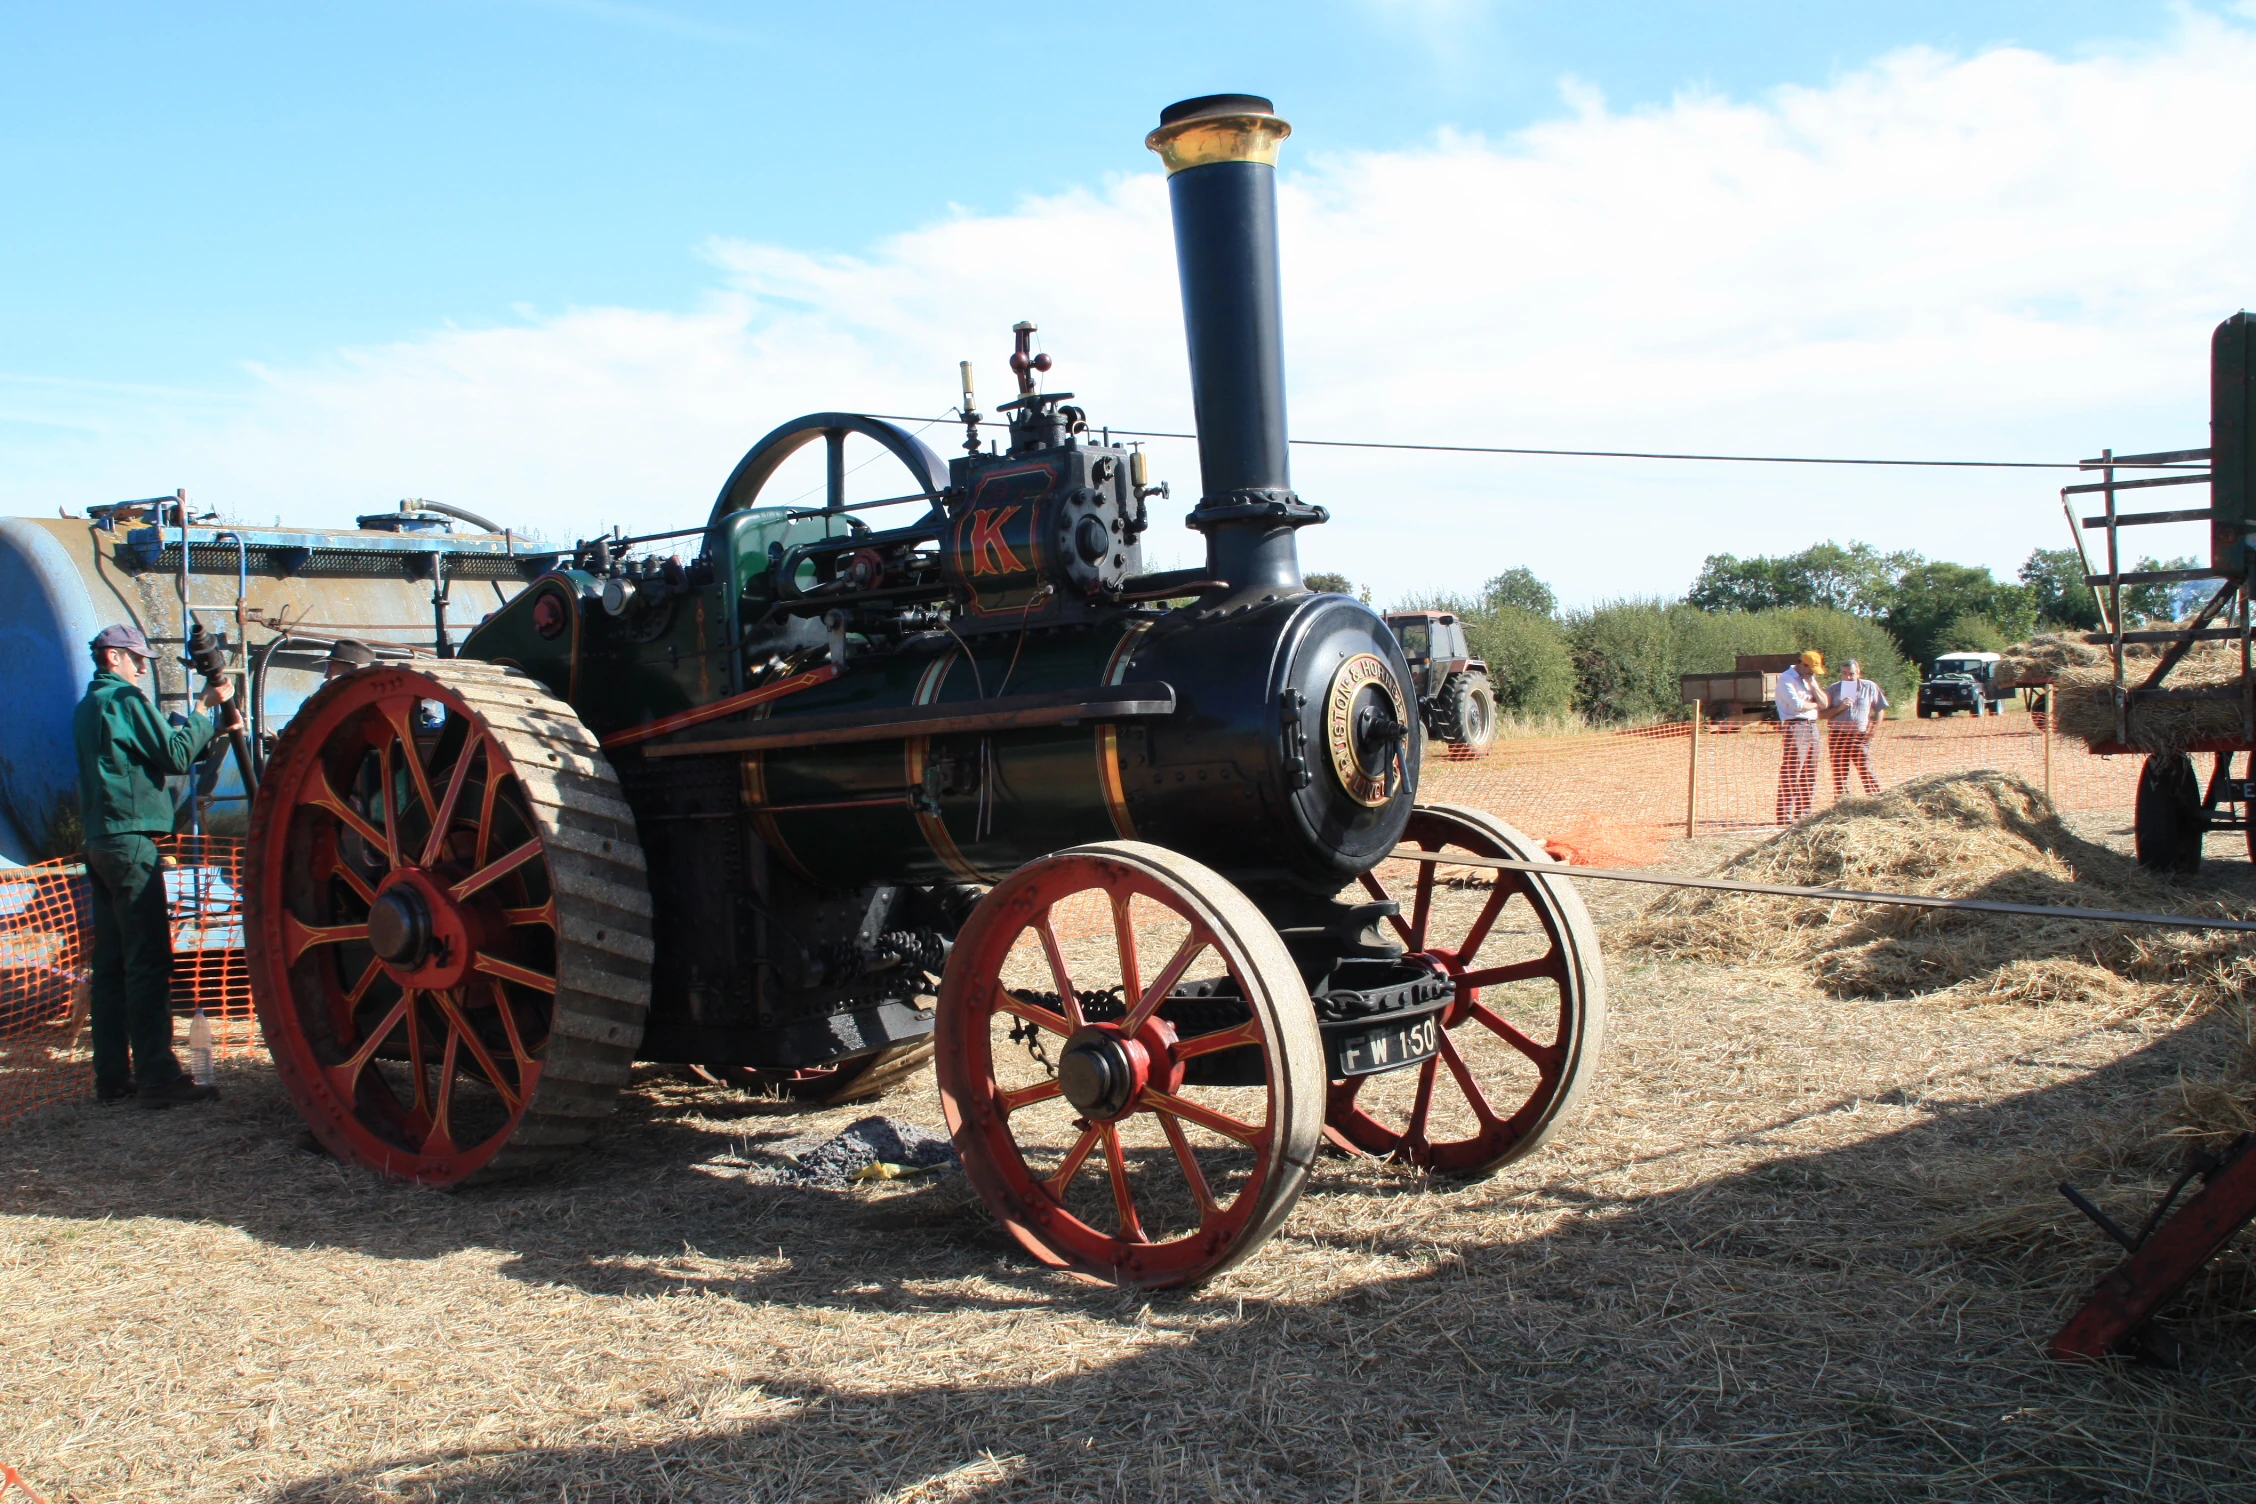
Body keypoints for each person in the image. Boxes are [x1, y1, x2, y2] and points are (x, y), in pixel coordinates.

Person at [71, 623, 234, 1107]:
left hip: (101, 842)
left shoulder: (88, 707)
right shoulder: (124, 701)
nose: (144, 668)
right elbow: (176, 753)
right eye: (138, 658)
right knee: (147, 963)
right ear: (113, 657)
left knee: (112, 966)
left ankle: (112, 1078)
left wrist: (211, 730)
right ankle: (159, 1078)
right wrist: (205, 708)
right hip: (133, 840)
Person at [1773, 649, 1829, 824]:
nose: (1812, 672)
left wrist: (1812, 685)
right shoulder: (1785, 678)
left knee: (1810, 772)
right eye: (1810, 668)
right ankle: (1785, 816)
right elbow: (1796, 705)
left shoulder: (1809, 678)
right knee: (1792, 771)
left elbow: (1826, 703)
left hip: (1813, 727)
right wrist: (1816, 704)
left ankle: (1804, 813)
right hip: (1795, 726)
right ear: (1802, 664)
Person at [1824, 658, 1889, 797]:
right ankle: (1842, 803)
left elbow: (1879, 708)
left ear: (1858, 673)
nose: (1848, 677)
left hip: (1860, 736)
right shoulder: (1832, 689)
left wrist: (1873, 730)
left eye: (1851, 673)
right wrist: (1840, 708)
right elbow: (1821, 713)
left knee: (1865, 769)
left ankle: (1875, 800)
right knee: (1839, 772)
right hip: (1838, 736)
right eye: (1844, 673)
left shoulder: (1869, 687)